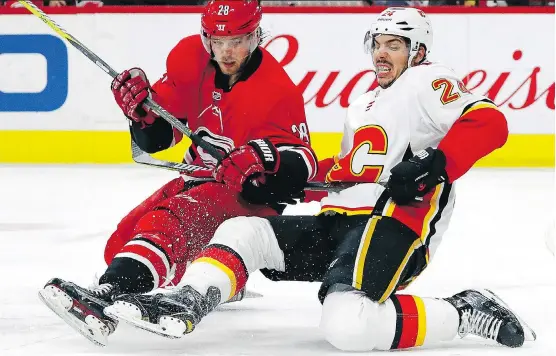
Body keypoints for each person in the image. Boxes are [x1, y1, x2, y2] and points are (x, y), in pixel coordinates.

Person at [104, 7, 537, 351]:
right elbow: (345, 171)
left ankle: (462, 311)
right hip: (339, 220)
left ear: (418, 52)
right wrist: (271, 172)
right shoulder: (366, 103)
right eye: (377, 45)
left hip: (390, 224)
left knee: (348, 326)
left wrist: (436, 162)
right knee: (242, 229)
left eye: (395, 45)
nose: (381, 54)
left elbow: (489, 120)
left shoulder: (429, 79)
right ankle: (188, 299)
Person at [38, 0, 317, 347]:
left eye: (239, 41)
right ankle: (220, 278)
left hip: (246, 197)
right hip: (197, 180)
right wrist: (142, 114)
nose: (227, 52)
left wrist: (263, 158)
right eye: (218, 42)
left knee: (173, 220)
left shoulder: (277, 90)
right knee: (121, 245)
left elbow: (304, 160)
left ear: (257, 36)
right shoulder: (189, 58)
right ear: (205, 38)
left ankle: (107, 295)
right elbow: (161, 136)